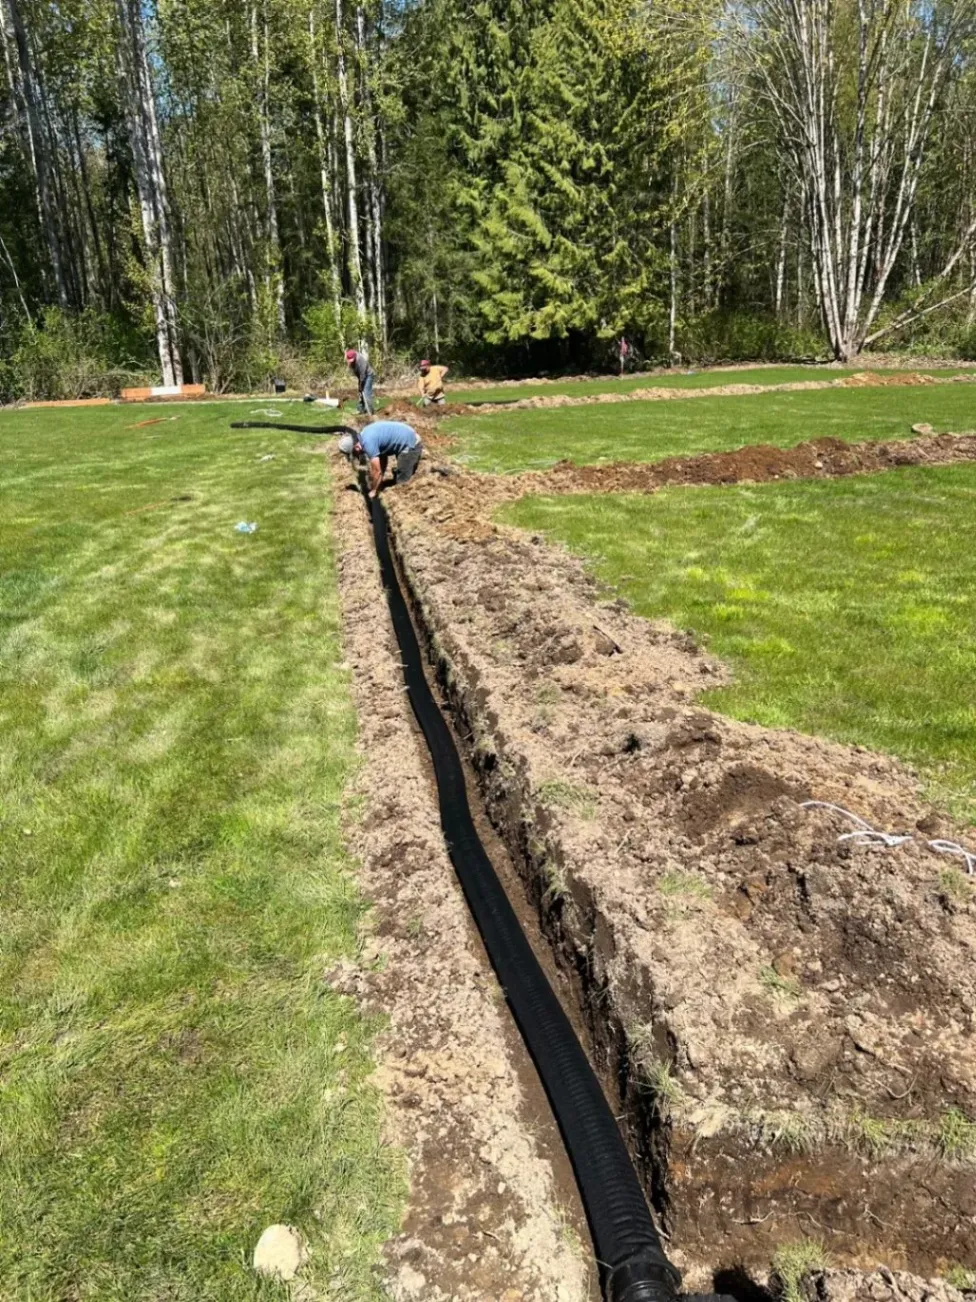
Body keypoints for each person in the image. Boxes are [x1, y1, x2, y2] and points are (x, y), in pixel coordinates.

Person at [337, 419, 424, 498]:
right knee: (398, 473)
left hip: (411, 443)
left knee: (402, 481)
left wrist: (374, 490)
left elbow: (377, 471)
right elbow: (382, 459)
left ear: (356, 447)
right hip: (404, 437)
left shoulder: (368, 443)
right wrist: (379, 482)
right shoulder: (364, 435)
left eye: (354, 454)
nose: (356, 456)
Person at [345, 347, 375, 414]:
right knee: (360, 393)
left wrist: (361, 385)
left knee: (366, 392)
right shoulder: (349, 358)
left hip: (368, 375)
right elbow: (358, 374)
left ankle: (370, 411)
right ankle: (361, 409)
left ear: (355, 357)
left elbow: (363, 374)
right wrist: (360, 387)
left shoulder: (360, 360)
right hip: (361, 377)